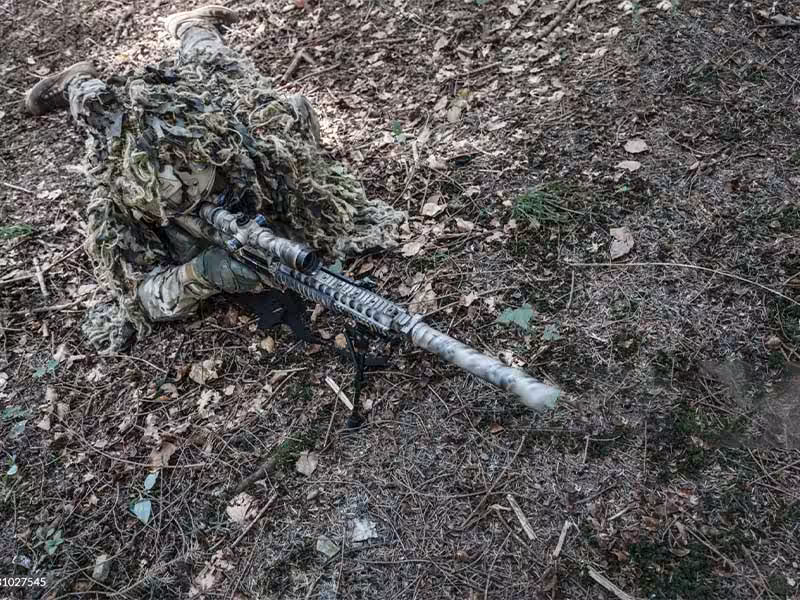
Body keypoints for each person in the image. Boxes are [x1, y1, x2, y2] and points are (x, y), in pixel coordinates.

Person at [24, 6, 406, 353]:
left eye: (192, 183)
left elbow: (312, 196)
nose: (185, 193)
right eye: (173, 198)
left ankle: (192, 27)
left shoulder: (244, 147)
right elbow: (140, 297)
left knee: (217, 66)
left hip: (213, 118)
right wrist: (202, 273)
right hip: (137, 151)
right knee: (101, 110)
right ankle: (76, 81)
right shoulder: (126, 201)